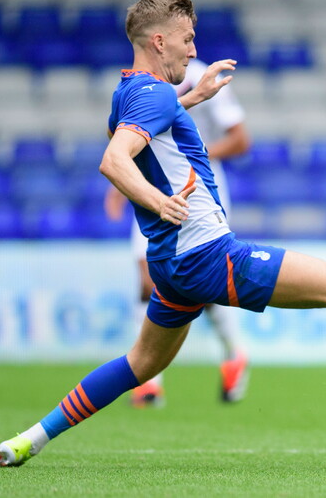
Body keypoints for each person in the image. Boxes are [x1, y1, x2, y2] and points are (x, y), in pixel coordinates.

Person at [0, 0, 326, 468]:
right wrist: (160, 201)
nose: (193, 51)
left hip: (173, 266)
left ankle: (30, 439)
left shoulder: (130, 92)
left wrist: (192, 101)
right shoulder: (152, 95)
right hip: (205, 252)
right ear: (159, 40)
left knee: (140, 363)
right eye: (187, 40)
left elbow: (145, 130)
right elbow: (114, 161)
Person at [105, 56, 253, 407]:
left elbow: (240, 140)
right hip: (151, 185)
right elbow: (127, 141)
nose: (189, 47)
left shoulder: (200, 75)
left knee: (204, 281)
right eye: (184, 38)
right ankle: (150, 382)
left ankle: (235, 353)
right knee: (146, 277)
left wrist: (190, 152)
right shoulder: (139, 84)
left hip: (196, 188)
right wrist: (119, 182)